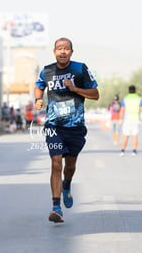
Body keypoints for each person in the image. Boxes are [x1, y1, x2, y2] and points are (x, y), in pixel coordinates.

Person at [34, 37, 99, 223]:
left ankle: (67, 184)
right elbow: (38, 86)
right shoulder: (47, 70)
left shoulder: (80, 69)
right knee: (56, 163)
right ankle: (56, 207)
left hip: (75, 127)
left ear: (71, 52)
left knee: (70, 166)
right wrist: (38, 99)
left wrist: (75, 88)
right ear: (54, 52)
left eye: (66, 48)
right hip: (54, 126)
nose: (62, 51)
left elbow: (95, 94)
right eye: (59, 48)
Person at [119, 85, 142, 156]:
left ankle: (122, 150)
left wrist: (120, 120)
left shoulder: (125, 99)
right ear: (135, 90)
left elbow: (122, 110)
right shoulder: (139, 99)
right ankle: (134, 151)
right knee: (134, 136)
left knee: (125, 135)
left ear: (128, 91)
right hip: (136, 119)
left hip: (127, 119)